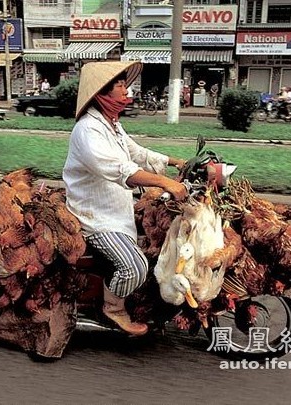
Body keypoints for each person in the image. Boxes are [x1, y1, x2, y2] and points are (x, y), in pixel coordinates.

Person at [63, 61, 188, 336]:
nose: (125, 89)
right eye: (119, 85)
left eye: (123, 83)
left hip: (116, 208)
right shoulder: (88, 131)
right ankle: (113, 308)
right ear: (101, 94)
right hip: (95, 216)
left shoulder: (112, 125)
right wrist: (163, 181)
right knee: (135, 267)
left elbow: (136, 153)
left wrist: (175, 162)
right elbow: (120, 169)